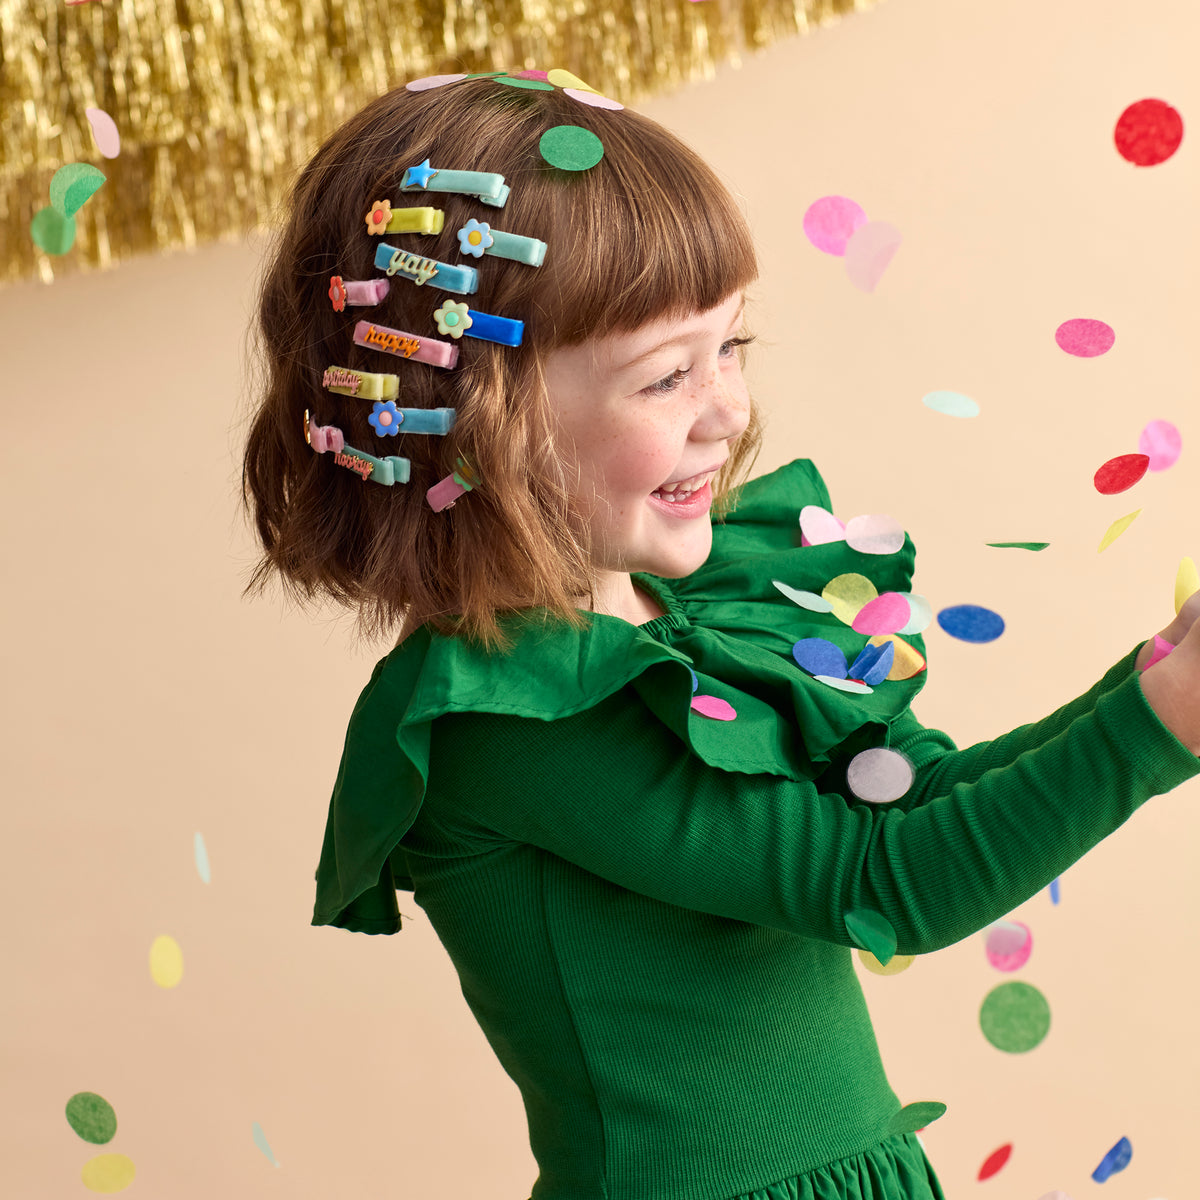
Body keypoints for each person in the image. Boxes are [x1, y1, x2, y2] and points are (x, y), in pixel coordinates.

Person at [241, 73, 1200, 1200]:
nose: (729, 410)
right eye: (666, 375)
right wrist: (1158, 727)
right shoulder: (507, 714)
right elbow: (895, 880)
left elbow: (909, 799)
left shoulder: (685, 614)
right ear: (486, 422)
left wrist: (1151, 678)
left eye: (732, 345)